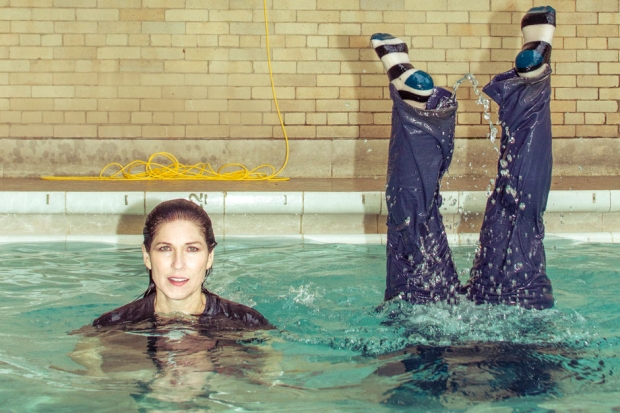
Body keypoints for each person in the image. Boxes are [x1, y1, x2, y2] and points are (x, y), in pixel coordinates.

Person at [372, 6, 556, 310]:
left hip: (427, 333)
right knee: (519, 217)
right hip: (519, 328)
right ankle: (530, 81)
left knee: (415, 234)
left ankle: (418, 103)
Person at [93, 198, 272, 330]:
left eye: (192, 249)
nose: (178, 264)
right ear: (147, 256)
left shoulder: (249, 325)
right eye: (165, 248)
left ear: (210, 257)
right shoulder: (110, 328)